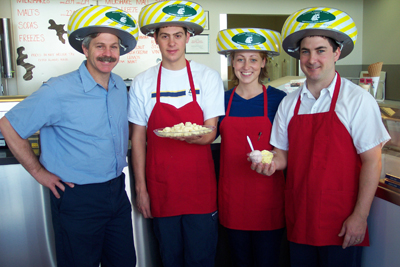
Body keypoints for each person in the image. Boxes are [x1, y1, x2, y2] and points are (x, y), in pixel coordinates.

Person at [0, 6, 139, 267]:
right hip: (77, 199)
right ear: (85, 49)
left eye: (113, 47)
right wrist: (39, 172)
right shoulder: (57, 90)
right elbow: (8, 125)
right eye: (100, 46)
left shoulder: (120, 84)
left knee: (124, 262)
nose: (107, 54)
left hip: (116, 191)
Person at [252, 7, 391, 267]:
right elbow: (283, 155)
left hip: (342, 220)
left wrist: (360, 217)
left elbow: (373, 162)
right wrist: (269, 164)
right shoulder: (289, 103)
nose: (312, 59)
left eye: (321, 50)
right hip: (300, 214)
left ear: (337, 53)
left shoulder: (357, 100)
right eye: (305, 51)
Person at [128, 1, 224, 267]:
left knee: (202, 257)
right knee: (169, 258)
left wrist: (198, 136)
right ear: (155, 40)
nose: (172, 43)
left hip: (200, 187)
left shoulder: (208, 77)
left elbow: (211, 130)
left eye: (178, 35)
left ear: (188, 38)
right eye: (165, 36)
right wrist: (141, 189)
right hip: (161, 187)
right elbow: (138, 138)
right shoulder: (142, 81)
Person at [216, 28, 286, 267]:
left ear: (264, 62)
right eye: (240, 59)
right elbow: (205, 138)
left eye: (254, 59)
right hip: (233, 197)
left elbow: (287, 151)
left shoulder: (279, 99)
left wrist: (274, 162)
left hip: (268, 198)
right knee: (237, 260)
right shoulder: (221, 99)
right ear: (232, 62)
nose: (247, 66)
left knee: (268, 261)